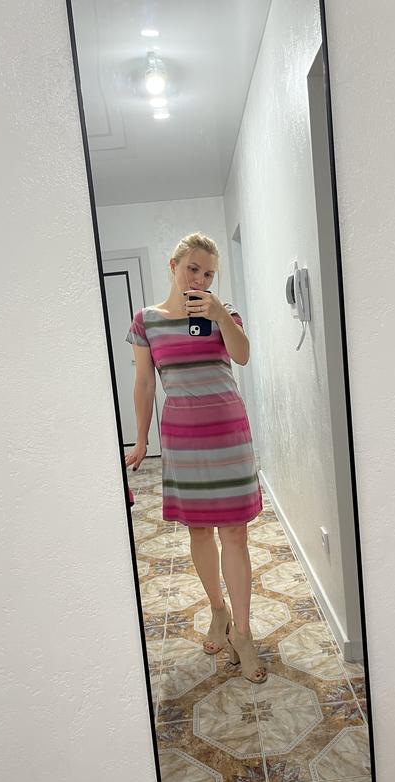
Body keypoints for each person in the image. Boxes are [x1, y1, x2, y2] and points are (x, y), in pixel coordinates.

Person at [125, 232, 267, 683]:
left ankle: (243, 634)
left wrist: (220, 314)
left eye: (208, 274)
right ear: (173, 265)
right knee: (200, 531)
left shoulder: (222, 313)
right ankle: (218, 611)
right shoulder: (146, 321)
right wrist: (141, 439)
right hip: (183, 439)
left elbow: (242, 356)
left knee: (236, 534)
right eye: (193, 269)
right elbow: (144, 383)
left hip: (228, 435)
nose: (200, 280)